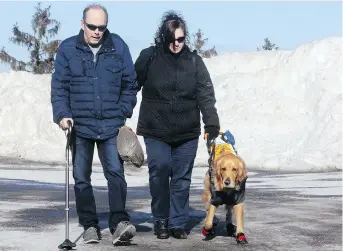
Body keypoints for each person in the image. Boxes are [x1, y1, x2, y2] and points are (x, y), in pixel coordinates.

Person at [50, 4, 138, 245]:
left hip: (111, 125)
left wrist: (122, 113)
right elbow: (59, 87)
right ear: (82, 24)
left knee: (116, 175)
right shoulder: (68, 49)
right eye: (92, 27)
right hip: (80, 126)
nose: (97, 31)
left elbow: (130, 85)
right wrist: (62, 115)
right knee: (81, 177)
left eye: (102, 27)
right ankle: (89, 225)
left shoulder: (118, 46)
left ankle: (119, 222)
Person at [134, 11, 220, 239]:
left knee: (181, 178)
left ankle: (178, 223)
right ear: (164, 37)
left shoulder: (194, 61)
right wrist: (121, 114)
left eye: (180, 39)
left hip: (186, 131)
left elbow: (205, 94)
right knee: (159, 172)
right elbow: (130, 86)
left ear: (185, 38)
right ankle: (161, 220)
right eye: (172, 39)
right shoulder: (149, 57)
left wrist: (211, 122)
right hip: (155, 129)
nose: (176, 44)